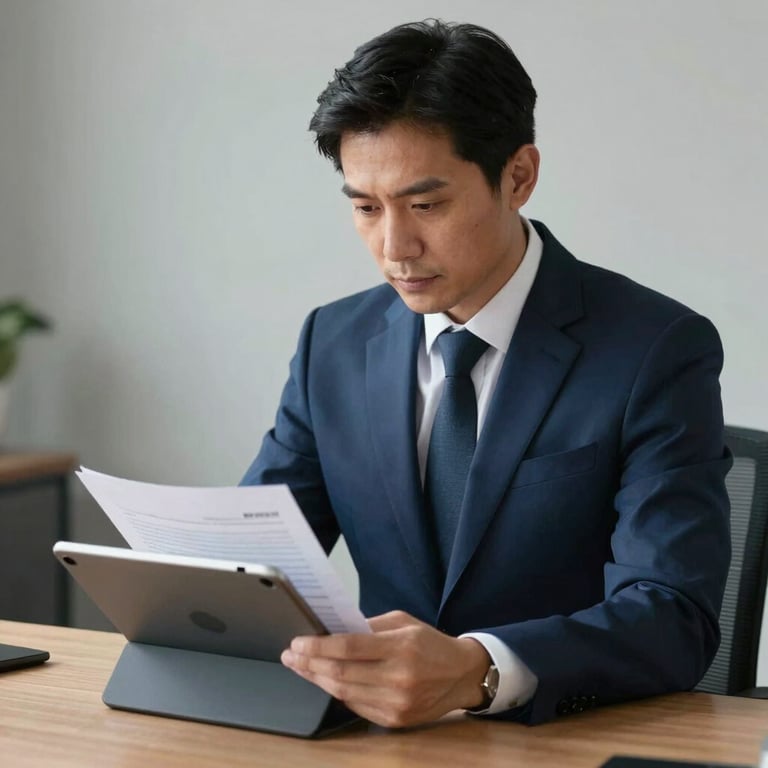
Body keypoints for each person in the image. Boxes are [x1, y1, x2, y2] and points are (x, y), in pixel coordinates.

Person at [241, 19, 731, 728]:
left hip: (563, 739)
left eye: (426, 205)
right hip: (378, 740)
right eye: (364, 207)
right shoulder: (334, 342)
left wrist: (479, 669)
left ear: (519, 176)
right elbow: (259, 564)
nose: (394, 247)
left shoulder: (655, 348)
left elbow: (673, 614)